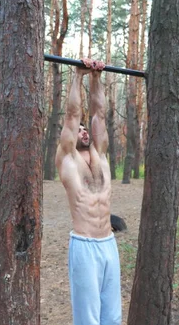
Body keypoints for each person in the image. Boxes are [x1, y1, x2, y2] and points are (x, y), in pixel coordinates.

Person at [55, 58, 121, 325]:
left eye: (85, 130)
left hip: (109, 243)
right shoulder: (68, 160)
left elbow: (99, 115)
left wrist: (96, 78)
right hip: (84, 246)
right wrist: (78, 76)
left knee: (113, 317)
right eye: (79, 130)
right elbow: (72, 116)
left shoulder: (100, 155)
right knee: (88, 320)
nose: (83, 131)